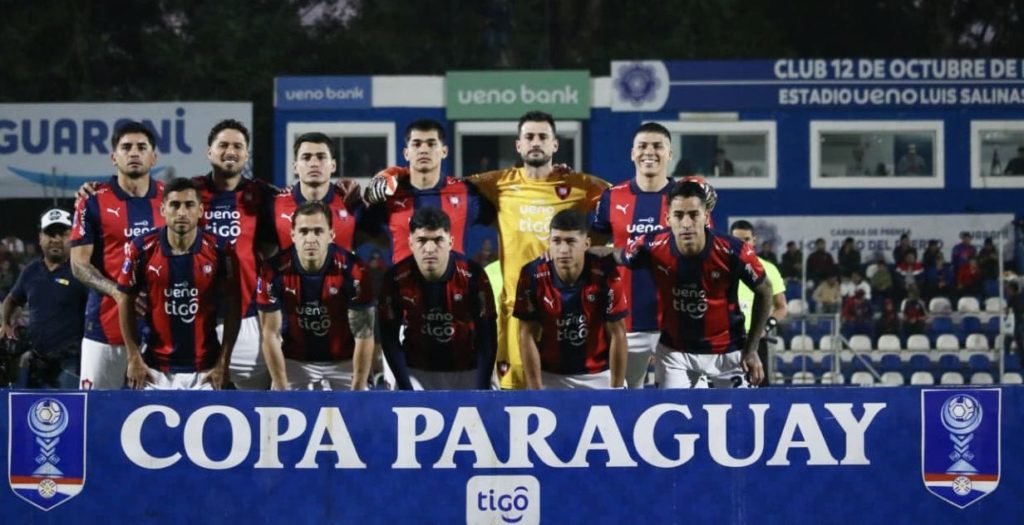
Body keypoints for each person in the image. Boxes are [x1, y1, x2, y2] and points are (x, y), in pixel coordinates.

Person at [381, 111, 608, 390]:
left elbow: (616, 206)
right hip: (516, 310)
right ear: (518, 145)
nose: (536, 142)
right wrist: (393, 172)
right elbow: (433, 175)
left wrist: (591, 248)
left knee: (563, 391)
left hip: (568, 309)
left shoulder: (579, 185)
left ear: (555, 145)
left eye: (542, 137)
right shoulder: (498, 183)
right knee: (514, 395)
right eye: (529, 137)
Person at [607, 181, 771, 388]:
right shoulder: (649, 246)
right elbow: (617, 255)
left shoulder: (735, 251)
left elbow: (765, 291)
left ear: (706, 217)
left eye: (694, 214)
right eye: (678, 215)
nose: (686, 223)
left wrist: (752, 348)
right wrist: (583, 254)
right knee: (672, 417)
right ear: (668, 218)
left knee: (739, 419)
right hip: (675, 353)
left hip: (729, 352)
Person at [116, 178, 240, 390]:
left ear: (201, 210)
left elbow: (234, 307)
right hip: (154, 370)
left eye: (189, 205)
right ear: (163, 209)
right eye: (175, 205)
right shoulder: (142, 248)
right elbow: (125, 300)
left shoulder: (221, 249)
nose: (182, 212)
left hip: (206, 371)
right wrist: (133, 356)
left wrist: (223, 362)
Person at [71, 121, 165, 389]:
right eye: (126, 147)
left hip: (161, 333)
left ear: (153, 157)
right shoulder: (91, 200)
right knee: (93, 414)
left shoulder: (172, 199)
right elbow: (79, 265)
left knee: (154, 417)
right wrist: (119, 293)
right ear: (114, 157)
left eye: (141, 147)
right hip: (104, 330)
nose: (134, 152)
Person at [193, 119, 280, 390]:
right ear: (209, 152)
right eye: (223, 145)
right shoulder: (190, 191)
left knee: (259, 406)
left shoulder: (263, 194)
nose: (230, 151)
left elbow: (276, 238)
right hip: (195, 318)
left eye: (238, 146)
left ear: (246, 154)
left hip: (248, 319)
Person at [590, 122, 677, 389]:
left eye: (657, 146)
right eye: (642, 146)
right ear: (632, 153)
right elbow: (593, 251)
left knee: (681, 405)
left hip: (675, 323)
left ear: (669, 154)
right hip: (626, 323)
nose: (649, 152)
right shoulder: (611, 197)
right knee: (624, 402)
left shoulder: (686, 198)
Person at [257, 202, 375, 390]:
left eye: (318, 231)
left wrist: (359, 384)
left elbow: (364, 333)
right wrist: (280, 385)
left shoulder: (354, 269)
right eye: (303, 231)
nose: (310, 239)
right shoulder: (272, 271)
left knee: (358, 415)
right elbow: (270, 335)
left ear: (331, 235)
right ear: (293, 235)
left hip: (345, 362)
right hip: (295, 362)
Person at [378, 207, 497, 390]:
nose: (430, 248)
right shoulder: (395, 278)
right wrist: (405, 385)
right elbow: (389, 339)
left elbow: (487, 338)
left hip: (467, 370)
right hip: (416, 371)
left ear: (451, 242)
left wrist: (481, 387)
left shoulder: (473, 275)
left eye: (438, 240)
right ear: (410, 243)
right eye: (422, 240)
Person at [516, 210, 627, 389]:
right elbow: (526, 334)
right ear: (549, 243)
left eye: (571, 242)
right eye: (556, 241)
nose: (563, 250)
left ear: (586, 244)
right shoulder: (532, 274)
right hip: (550, 376)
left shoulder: (606, 274)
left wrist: (617, 389)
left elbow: (617, 333)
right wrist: (535, 389)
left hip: (599, 375)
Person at [362, 119, 494, 264]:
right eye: (416, 144)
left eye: (431, 144)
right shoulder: (389, 196)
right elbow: (363, 233)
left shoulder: (466, 193)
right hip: (402, 285)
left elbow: (501, 219)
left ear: (444, 151)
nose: (424, 150)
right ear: (406, 153)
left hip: (454, 286)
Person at [1, 209, 88, 388]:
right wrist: (6, 324)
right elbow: (12, 299)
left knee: (68, 410)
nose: (55, 239)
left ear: (72, 237)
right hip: (37, 360)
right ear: (40, 237)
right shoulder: (31, 270)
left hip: (70, 361)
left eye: (63, 234)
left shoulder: (82, 271)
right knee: (31, 411)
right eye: (50, 233)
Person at [268, 132, 362, 253]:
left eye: (321, 157)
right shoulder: (275, 205)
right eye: (306, 157)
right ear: (295, 166)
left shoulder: (351, 202)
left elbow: (381, 240)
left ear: (333, 165)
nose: (314, 163)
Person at [730, 220, 787, 386]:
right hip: (727, 340)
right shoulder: (720, 266)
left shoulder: (768, 269)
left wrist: (765, 328)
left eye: (746, 239)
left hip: (755, 339)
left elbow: (781, 307)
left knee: (758, 394)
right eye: (737, 240)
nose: (742, 244)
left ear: (754, 240)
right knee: (721, 396)